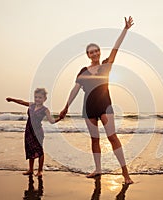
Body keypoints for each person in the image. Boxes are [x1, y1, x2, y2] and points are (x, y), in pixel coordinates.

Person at [59, 16, 134, 184]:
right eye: (91, 52)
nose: (94, 53)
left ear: (99, 52)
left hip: (105, 105)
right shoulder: (83, 71)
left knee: (112, 137)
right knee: (94, 140)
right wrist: (66, 107)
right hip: (89, 108)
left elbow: (116, 48)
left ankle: (126, 174)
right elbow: (75, 89)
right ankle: (98, 169)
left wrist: (125, 30)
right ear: (88, 55)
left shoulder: (106, 65)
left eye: (96, 51)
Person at [6, 88, 61, 177]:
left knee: (39, 151)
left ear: (44, 99)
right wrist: (12, 100)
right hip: (28, 131)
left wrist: (60, 118)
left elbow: (51, 121)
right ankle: (31, 170)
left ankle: (40, 171)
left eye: (40, 97)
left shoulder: (45, 109)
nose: (37, 99)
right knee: (30, 150)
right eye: (36, 97)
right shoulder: (31, 105)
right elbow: (21, 102)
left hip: (38, 132)